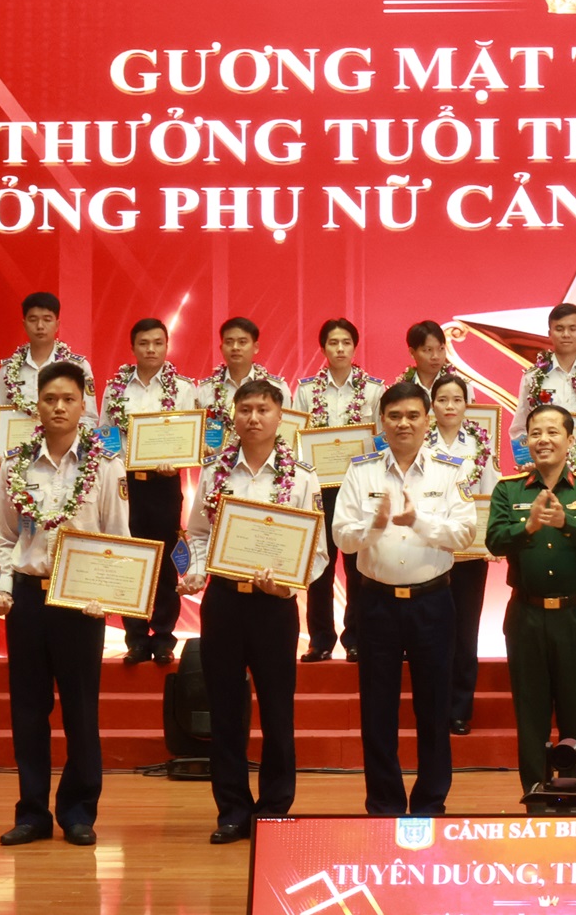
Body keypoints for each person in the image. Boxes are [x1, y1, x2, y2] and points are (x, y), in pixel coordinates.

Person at [0, 362, 128, 847]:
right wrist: (4, 587)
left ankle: (78, 812)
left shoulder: (105, 464)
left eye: (68, 399)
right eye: (50, 399)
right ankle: (32, 813)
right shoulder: (16, 464)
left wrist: (107, 595)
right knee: (28, 710)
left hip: (81, 602)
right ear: (37, 405)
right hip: (28, 598)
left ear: (84, 404)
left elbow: (117, 538)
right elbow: (3, 535)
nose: (59, 407)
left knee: (81, 711)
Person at [179, 379, 327, 844]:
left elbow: (318, 549)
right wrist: (196, 571)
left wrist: (286, 587)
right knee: (226, 711)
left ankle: (275, 807)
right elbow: (197, 533)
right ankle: (232, 811)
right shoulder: (215, 471)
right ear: (234, 415)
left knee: (278, 712)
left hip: (275, 607)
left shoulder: (301, 477)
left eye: (263, 409)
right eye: (245, 409)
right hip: (224, 602)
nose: (254, 418)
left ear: (281, 416)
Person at [333, 382, 476, 815]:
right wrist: (373, 528)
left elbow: (466, 533)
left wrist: (419, 520)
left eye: (413, 415)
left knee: (434, 708)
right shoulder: (361, 471)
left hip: (432, 602)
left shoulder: (451, 470)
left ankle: (431, 802)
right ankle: (384, 804)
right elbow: (341, 536)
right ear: (382, 421)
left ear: (427, 420)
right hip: (375, 604)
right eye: (394, 416)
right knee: (377, 710)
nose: (403, 424)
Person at [488, 403, 576, 797]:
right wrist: (526, 528)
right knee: (531, 711)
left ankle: (575, 791)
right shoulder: (508, 489)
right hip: (526, 615)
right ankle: (536, 793)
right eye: (535, 433)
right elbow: (494, 541)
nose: (543, 440)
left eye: (552, 432)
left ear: (570, 440)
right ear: (526, 441)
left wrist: (566, 522)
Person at [100, 317, 195, 665]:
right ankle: (136, 638)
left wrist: (177, 460)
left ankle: (164, 637)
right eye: (144, 343)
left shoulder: (183, 388)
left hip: (164, 484)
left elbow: (190, 435)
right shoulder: (115, 388)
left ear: (167, 345)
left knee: (166, 560)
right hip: (126, 485)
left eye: (158, 343)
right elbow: (105, 434)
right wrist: (115, 466)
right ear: (133, 347)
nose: (151, 349)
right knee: (131, 558)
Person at [298, 317, 387, 664]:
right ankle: (320, 640)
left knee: (357, 566)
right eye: (333, 343)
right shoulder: (306, 391)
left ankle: (356, 639)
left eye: (346, 342)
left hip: (358, 488)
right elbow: (295, 439)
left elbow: (381, 440)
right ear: (323, 348)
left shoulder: (374, 390)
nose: (339, 349)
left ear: (354, 347)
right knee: (319, 566)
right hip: (318, 488)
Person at [426, 373, 502, 735]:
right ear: (432, 405)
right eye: (443, 400)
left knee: (466, 630)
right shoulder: (420, 442)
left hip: (469, 552)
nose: (450, 406)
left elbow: (491, 494)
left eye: (457, 400)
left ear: (466, 405)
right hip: (429, 549)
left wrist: (490, 542)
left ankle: (459, 709)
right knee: (432, 631)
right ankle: (434, 707)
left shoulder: (480, 444)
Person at [0, 291, 96, 424]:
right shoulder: (8, 370)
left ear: (57, 325)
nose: (40, 326)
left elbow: (89, 418)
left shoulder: (78, 366)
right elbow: (0, 418)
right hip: (19, 437)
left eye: (47, 320)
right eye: (33, 320)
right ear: (24, 325)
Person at [510, 303, 576, 439]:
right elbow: (520, 429)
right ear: (550, 334)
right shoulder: (532, 377)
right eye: (559, 329)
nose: (566, 334)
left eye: (572, 329)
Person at [194, 316, 289, 446]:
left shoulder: (277, 387)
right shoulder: (205, 389)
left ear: (255, 347)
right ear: (221, 348)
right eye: (229, 342)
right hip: (216, 458)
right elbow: (196, 435)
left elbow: (286, 433)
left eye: (242, 342)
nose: (235, 347)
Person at [395, 319, 462, 388]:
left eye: (441, 349)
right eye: (428, 350)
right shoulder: (400, 389)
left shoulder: (459, 386)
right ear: (412, 352)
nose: (435, 356)